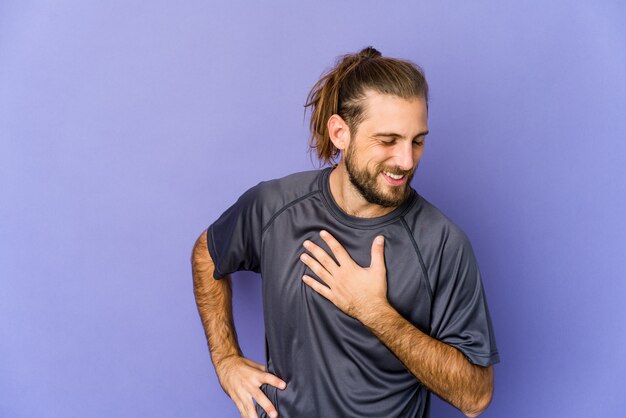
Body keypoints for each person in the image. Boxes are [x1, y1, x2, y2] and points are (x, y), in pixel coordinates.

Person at [191, 46, 499, 418]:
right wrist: (226, 360)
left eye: (417, 141)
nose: (406, 161)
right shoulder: (274, 207)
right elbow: (207, 252)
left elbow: (476, 396)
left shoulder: (442, 243)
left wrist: (374, 312)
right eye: (388, 141)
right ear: (340, 133)